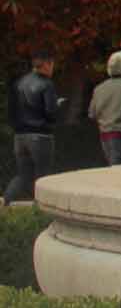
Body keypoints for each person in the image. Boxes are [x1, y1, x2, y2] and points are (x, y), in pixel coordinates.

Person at [6, 51, 62, 204]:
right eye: (52, 65)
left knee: (23, 175)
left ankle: (6, 202)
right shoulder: (46, 84)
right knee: (42, 177)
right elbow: (51, 112)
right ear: (47, 64)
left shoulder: (18, 83)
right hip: (40, 136)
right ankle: (40, 208)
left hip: (19, 136)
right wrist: (57, 107)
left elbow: (11, 110)